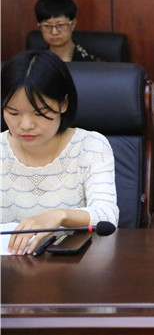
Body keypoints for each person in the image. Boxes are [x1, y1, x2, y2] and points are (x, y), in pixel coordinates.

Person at [1, 50, 119, 255]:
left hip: (74, 266)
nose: (25, 125)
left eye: (40, 113)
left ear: (63, 104)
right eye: (13, 112)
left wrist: (59, 216)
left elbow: (107, 216)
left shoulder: (91, 146)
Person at [34, 0, 99, 62]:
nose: (54, 32)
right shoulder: (33, 62)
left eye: (61, 25)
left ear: (73, 24)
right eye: (47, 26)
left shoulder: (91, 62)